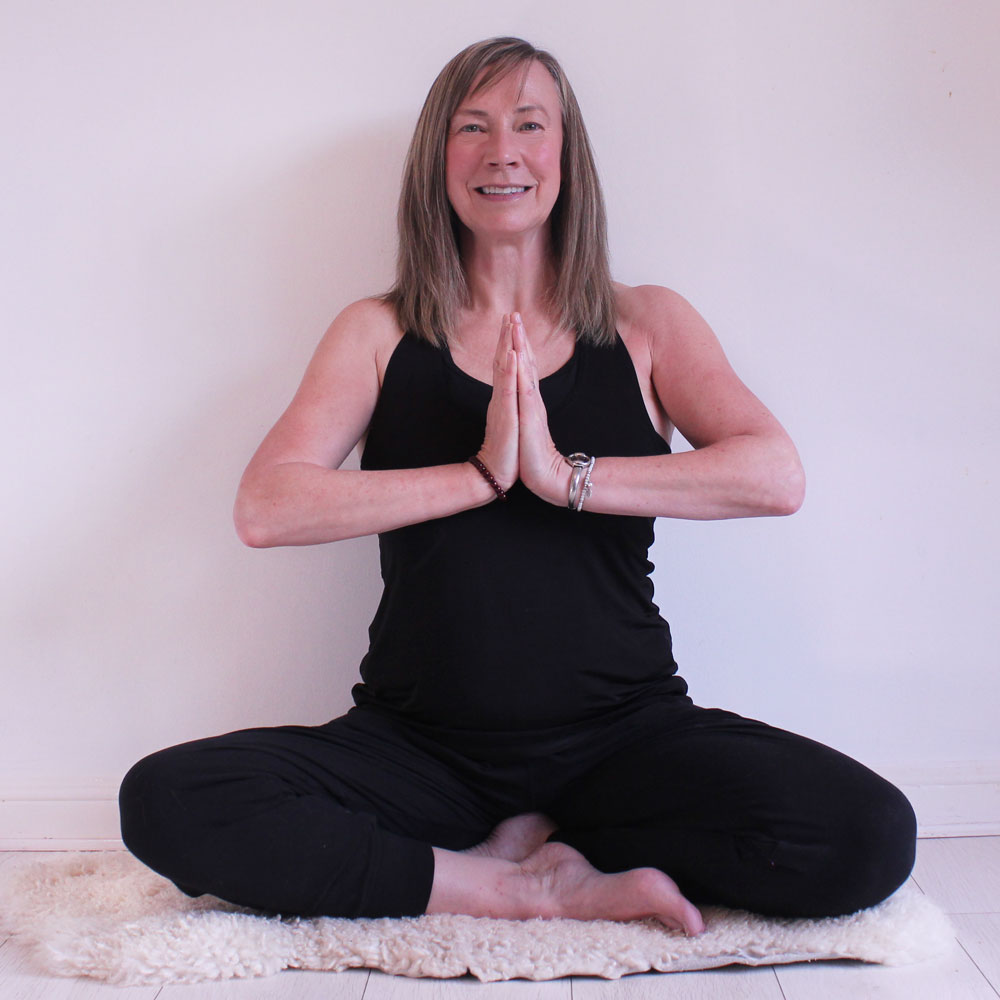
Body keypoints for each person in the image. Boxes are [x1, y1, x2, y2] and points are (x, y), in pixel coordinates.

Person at [119, 37, 916, 936]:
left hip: (625, 738)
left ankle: (558, 838)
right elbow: (267, 506)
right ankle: (509, 885)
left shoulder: (647, 323)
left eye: (530, 125)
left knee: (870, 834)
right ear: (439, 160)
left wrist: (560, 477)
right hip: (421, 749)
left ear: (566, 156)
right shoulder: (376, 333)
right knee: (165, 799)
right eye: (473, 127)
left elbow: (774, 474)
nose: (503, 151)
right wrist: (478, 475)